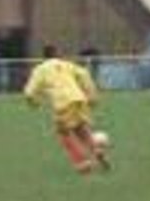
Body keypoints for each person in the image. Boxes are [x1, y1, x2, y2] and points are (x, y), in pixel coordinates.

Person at [23, 44, 109, 174]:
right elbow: (84, 74)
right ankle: (96, 150)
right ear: (57, 54)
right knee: (80, 128)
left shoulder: (40, 69)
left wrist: (33, 102)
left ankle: (82, 163)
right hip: (79, 99)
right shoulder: (66, 64)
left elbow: (29, 92)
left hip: (63, 103)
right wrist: (92, 96)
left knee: (63, 134)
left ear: (44, 57)